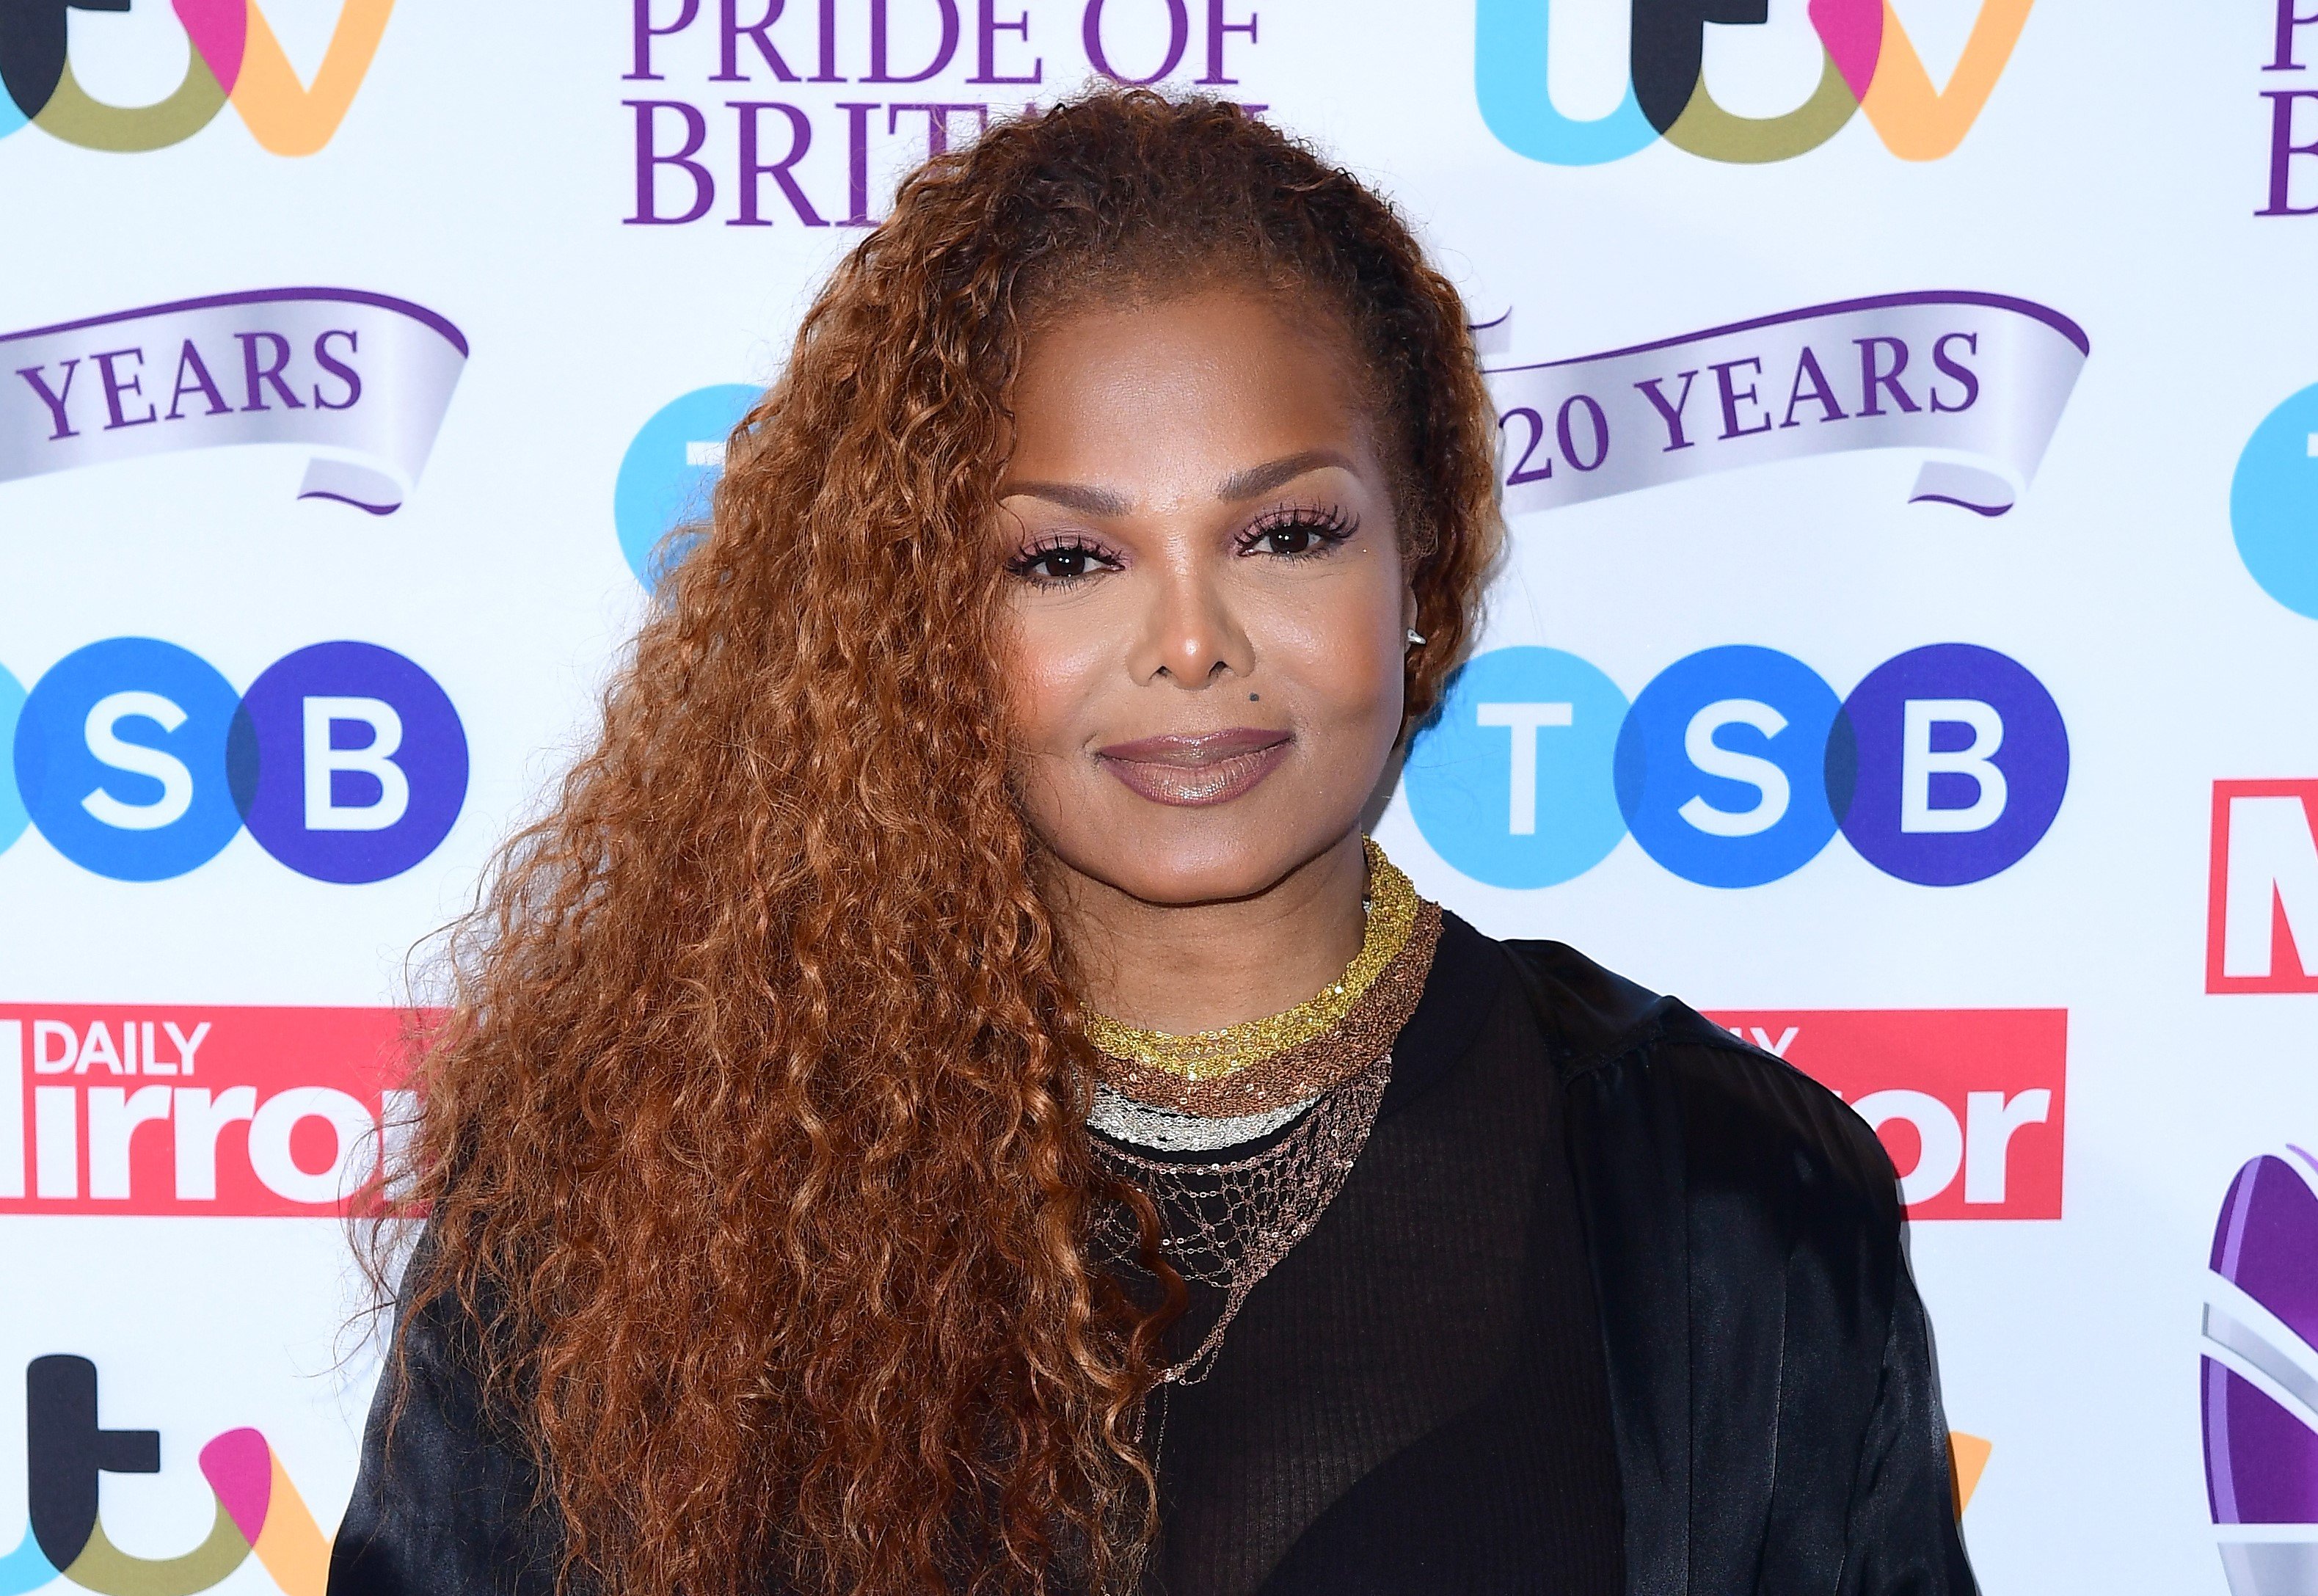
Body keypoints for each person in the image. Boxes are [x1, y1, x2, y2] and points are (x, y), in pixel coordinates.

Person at [329, 89, 1978, 1596]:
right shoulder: (635, 1185)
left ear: (1425, 572)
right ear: (926, 625)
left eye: (1284, 533)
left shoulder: (1726, 1191)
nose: (1190, 640)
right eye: (1064, 559)